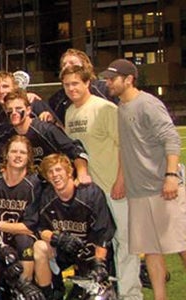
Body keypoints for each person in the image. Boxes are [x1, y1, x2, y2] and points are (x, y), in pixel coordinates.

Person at [104, 58, 186, 300]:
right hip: (139, 192)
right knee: (150, 250)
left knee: (181, 244)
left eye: (112, 78)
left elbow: (172, 140)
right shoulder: (121, 107)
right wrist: (121, 179)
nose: (108, 83)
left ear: (128, 79)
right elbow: (125, 148)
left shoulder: (148, 104)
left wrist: (171, 176)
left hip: (163, 188)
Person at [61, 64, 142, 299]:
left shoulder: (105, 108)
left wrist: (121, 180)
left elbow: (126, 146)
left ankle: (131, 295)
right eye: (67, 85)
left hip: (113, 186)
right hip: (89, 193)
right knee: (97, 244)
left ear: (87, 83)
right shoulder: (70, 113)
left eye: (76, 83)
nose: (71, 88)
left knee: (125, 243)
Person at [33, 154, 116, 300]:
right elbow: (41, 229)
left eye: (58, 170)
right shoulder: (47, 196)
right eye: (50, 172)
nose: (55, 175)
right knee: (39, 247)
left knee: (99, 295)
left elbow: (104, 231)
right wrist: (57, 238)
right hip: (64, 251)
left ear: (69, 172)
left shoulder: (90, 193)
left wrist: (99, 263)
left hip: (90, 252)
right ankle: (51, 293)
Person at [0, 136, 44, 300]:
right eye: (14, 151)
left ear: (29, 157)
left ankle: (22, 291)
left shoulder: (34, 184)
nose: (18, 155)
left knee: (24, 240)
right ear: (6, 155)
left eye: (23, 152)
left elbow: (30, 227)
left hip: (21, 247)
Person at [2, 91, 91, 184]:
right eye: (10, 110)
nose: (14, 113)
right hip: (32, 186)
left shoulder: (45, 129)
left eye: (18, 108)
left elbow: (76, 150)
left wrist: (82, 173)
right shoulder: (7, 134)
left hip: (57, 184)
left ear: (28, 110)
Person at [47, 48, 114, 122]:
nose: (67, 66)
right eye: (64, 64)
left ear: (85, 65)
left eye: (72, 63)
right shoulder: (59, 98)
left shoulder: (103, 88)